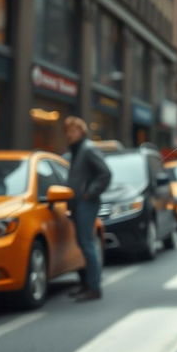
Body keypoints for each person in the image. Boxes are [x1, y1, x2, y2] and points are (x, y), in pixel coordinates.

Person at [64, 116, 112, 301]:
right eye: (67, 131)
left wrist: (89, 193)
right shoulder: (76, 151)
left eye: (73, 130)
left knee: (87, 243)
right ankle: (86, 284)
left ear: (81, 132)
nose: (69, 134)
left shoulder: (88, 149)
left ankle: (94, 287)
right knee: (82, 242)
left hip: (87, 202)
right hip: (77, 203)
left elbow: (105, 173)